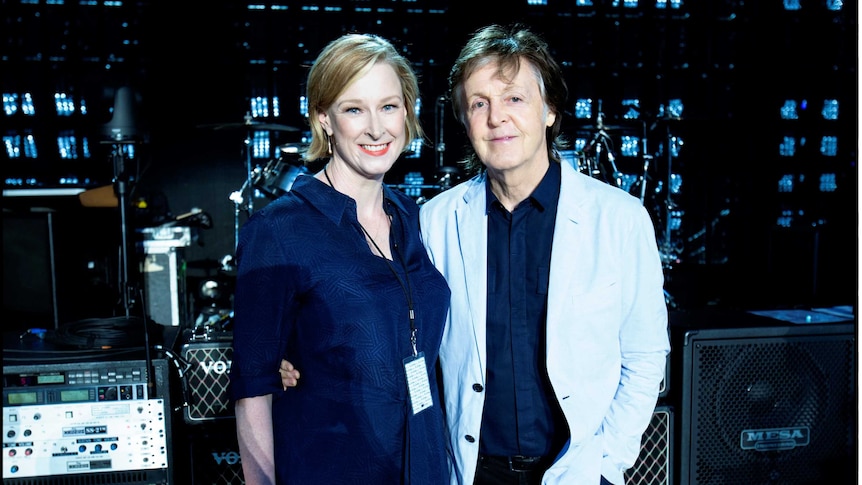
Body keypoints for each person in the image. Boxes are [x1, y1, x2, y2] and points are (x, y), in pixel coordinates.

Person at [418, 24, 670, 485]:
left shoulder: (620, 219)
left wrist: (607, 463)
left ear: (550, 110)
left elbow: (645, 353)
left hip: (575, 470)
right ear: (464, 119)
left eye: (514, 98)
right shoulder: (435, 221)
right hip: (472, 471)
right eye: (479, 104)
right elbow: (412, 347)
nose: (497, 118)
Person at [231, 32, 451, 485]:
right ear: (323, 118)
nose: (376, 128)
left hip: (424, 465)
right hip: (332, 468)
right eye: (354, 109)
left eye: (389, 106)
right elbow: (252, 388)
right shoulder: (278, 229)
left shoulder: (414, 218)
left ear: (407, 112)